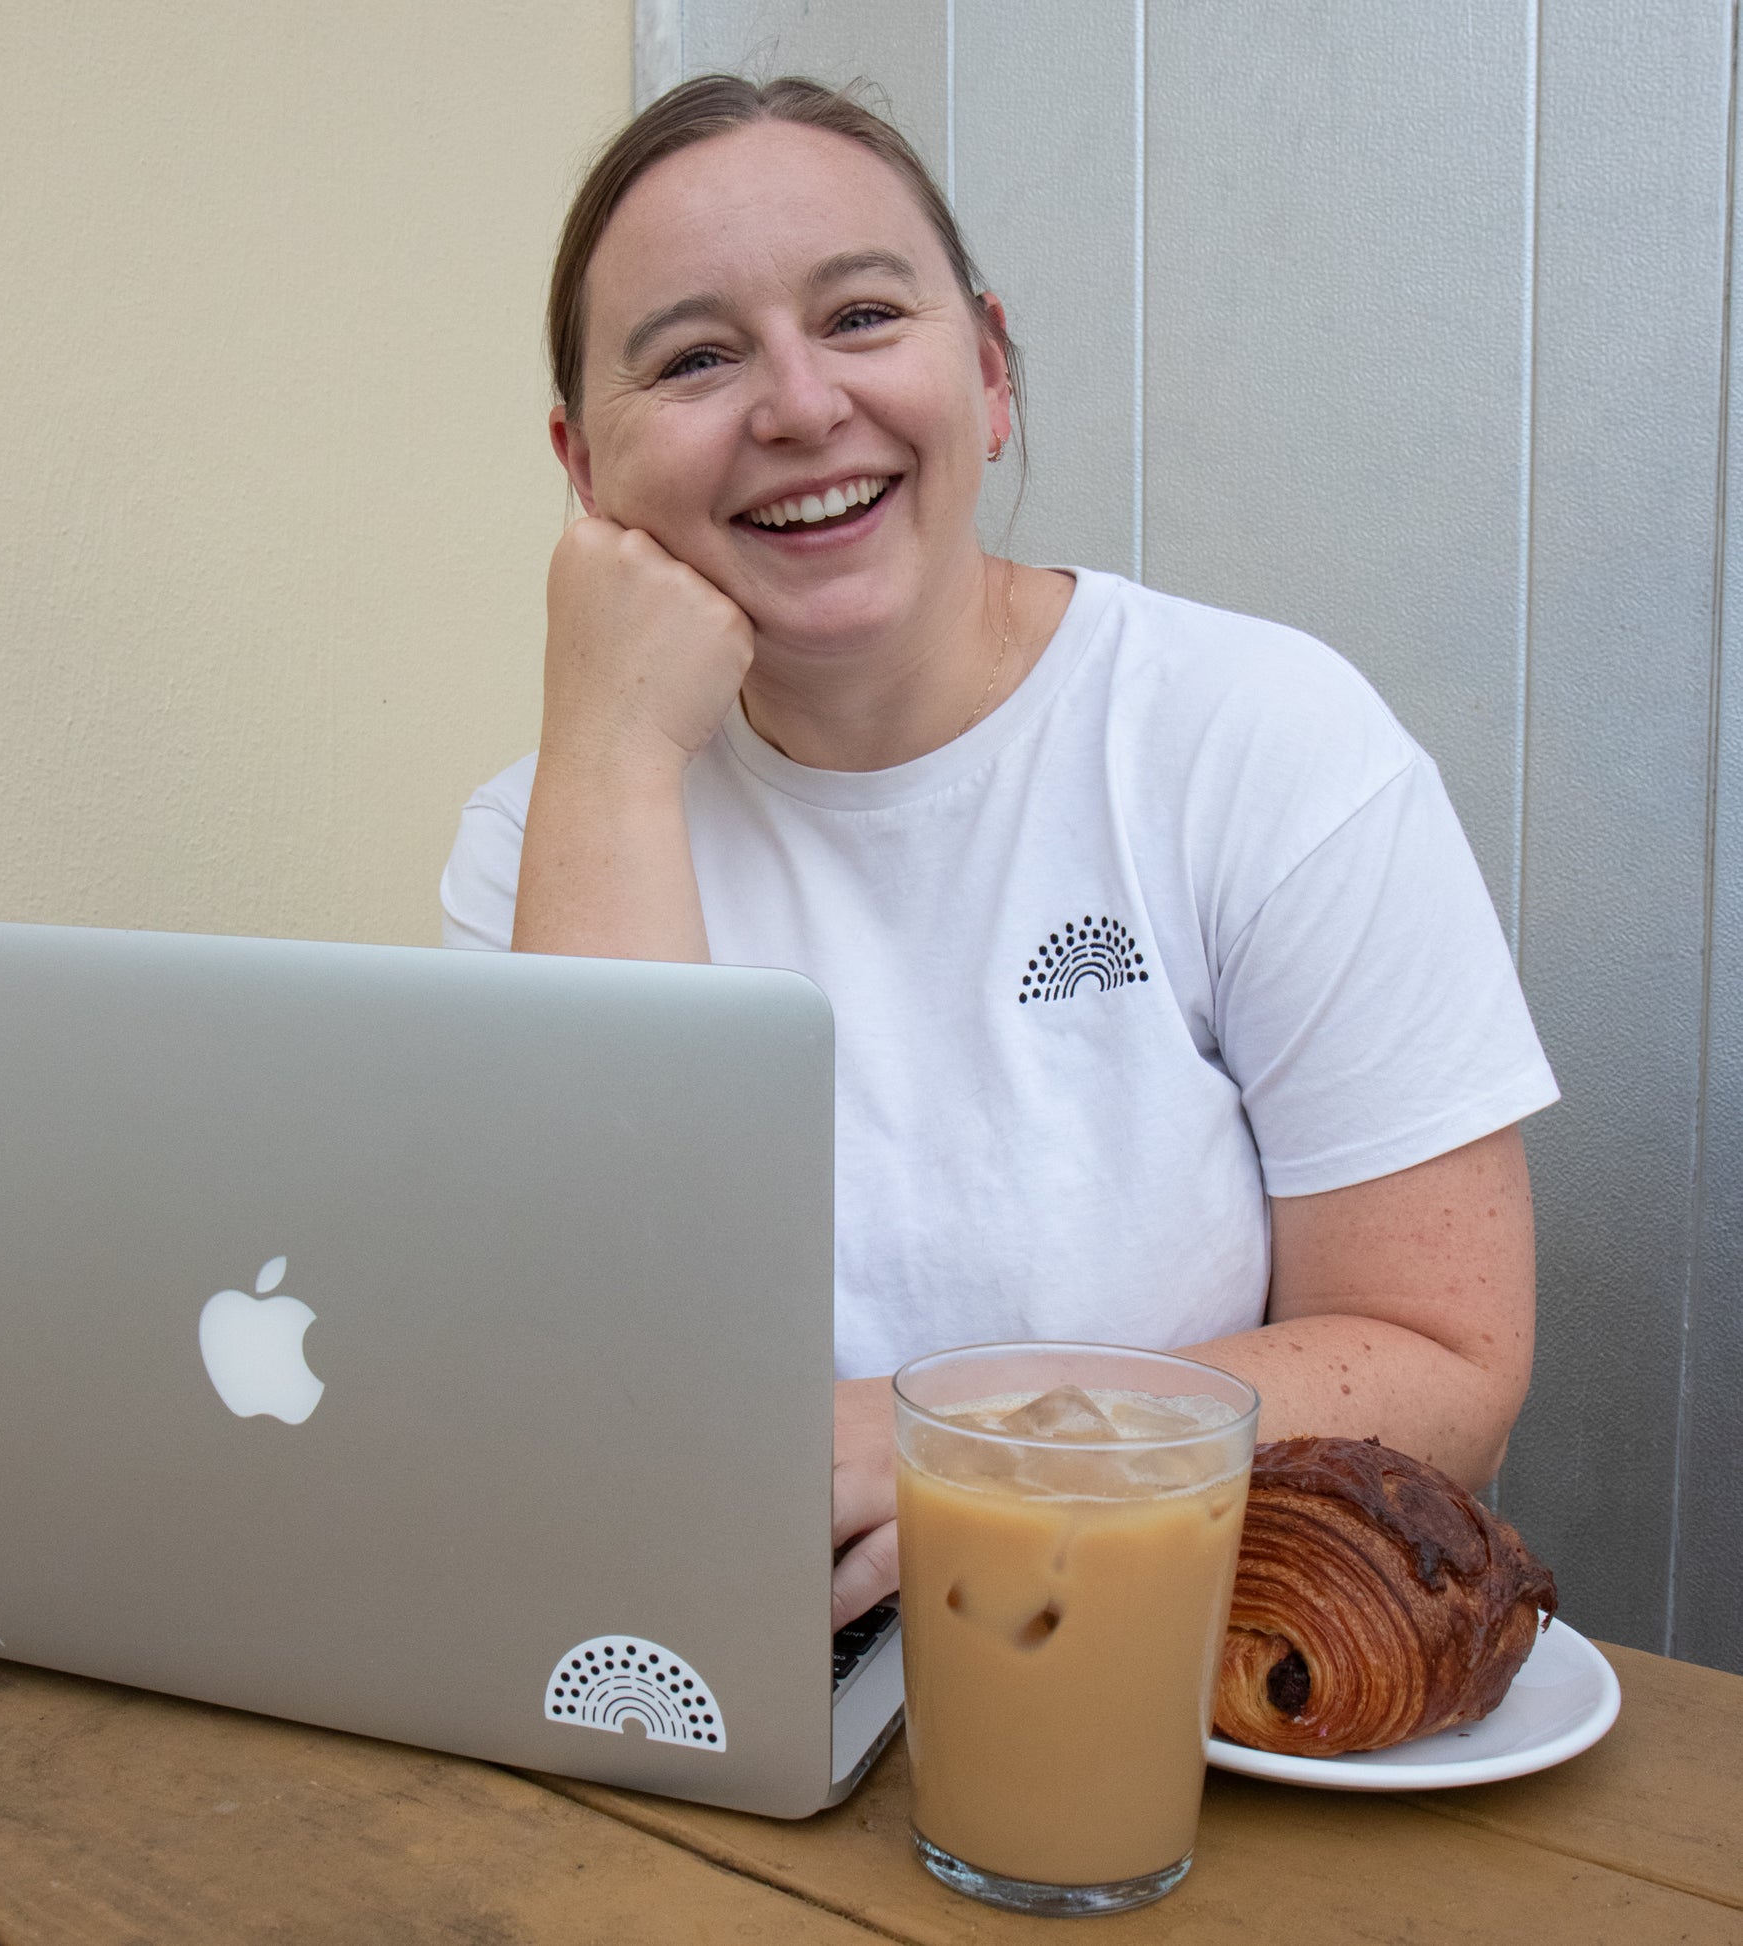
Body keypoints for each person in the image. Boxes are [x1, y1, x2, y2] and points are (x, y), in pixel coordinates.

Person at [439, 75, 1558, 1630]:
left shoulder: (1259, 740)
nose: (795, 406)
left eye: (860, 316)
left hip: (1165, 1676)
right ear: (582, 469)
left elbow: (1445, 1364)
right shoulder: (541, 834)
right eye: (693, 356)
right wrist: (616, 751)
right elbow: (598, 1409)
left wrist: (986, 1448)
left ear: (985, 371)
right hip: (733, 1667)